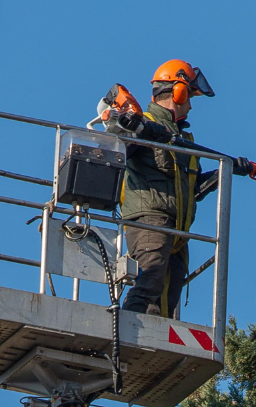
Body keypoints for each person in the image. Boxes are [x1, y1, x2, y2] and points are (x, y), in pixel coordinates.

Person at [103, 60, 244, 319]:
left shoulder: (182, 140)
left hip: (178, 229)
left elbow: (194, 188)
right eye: (189, 96)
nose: (190, 104)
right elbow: (119, 151)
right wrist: (142, 132)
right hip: (150, 218)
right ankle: (124, 335)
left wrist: (227, 170)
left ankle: (147, 345)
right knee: (149, 281)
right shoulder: (139, 122)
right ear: (178, 92)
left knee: (169, 297)